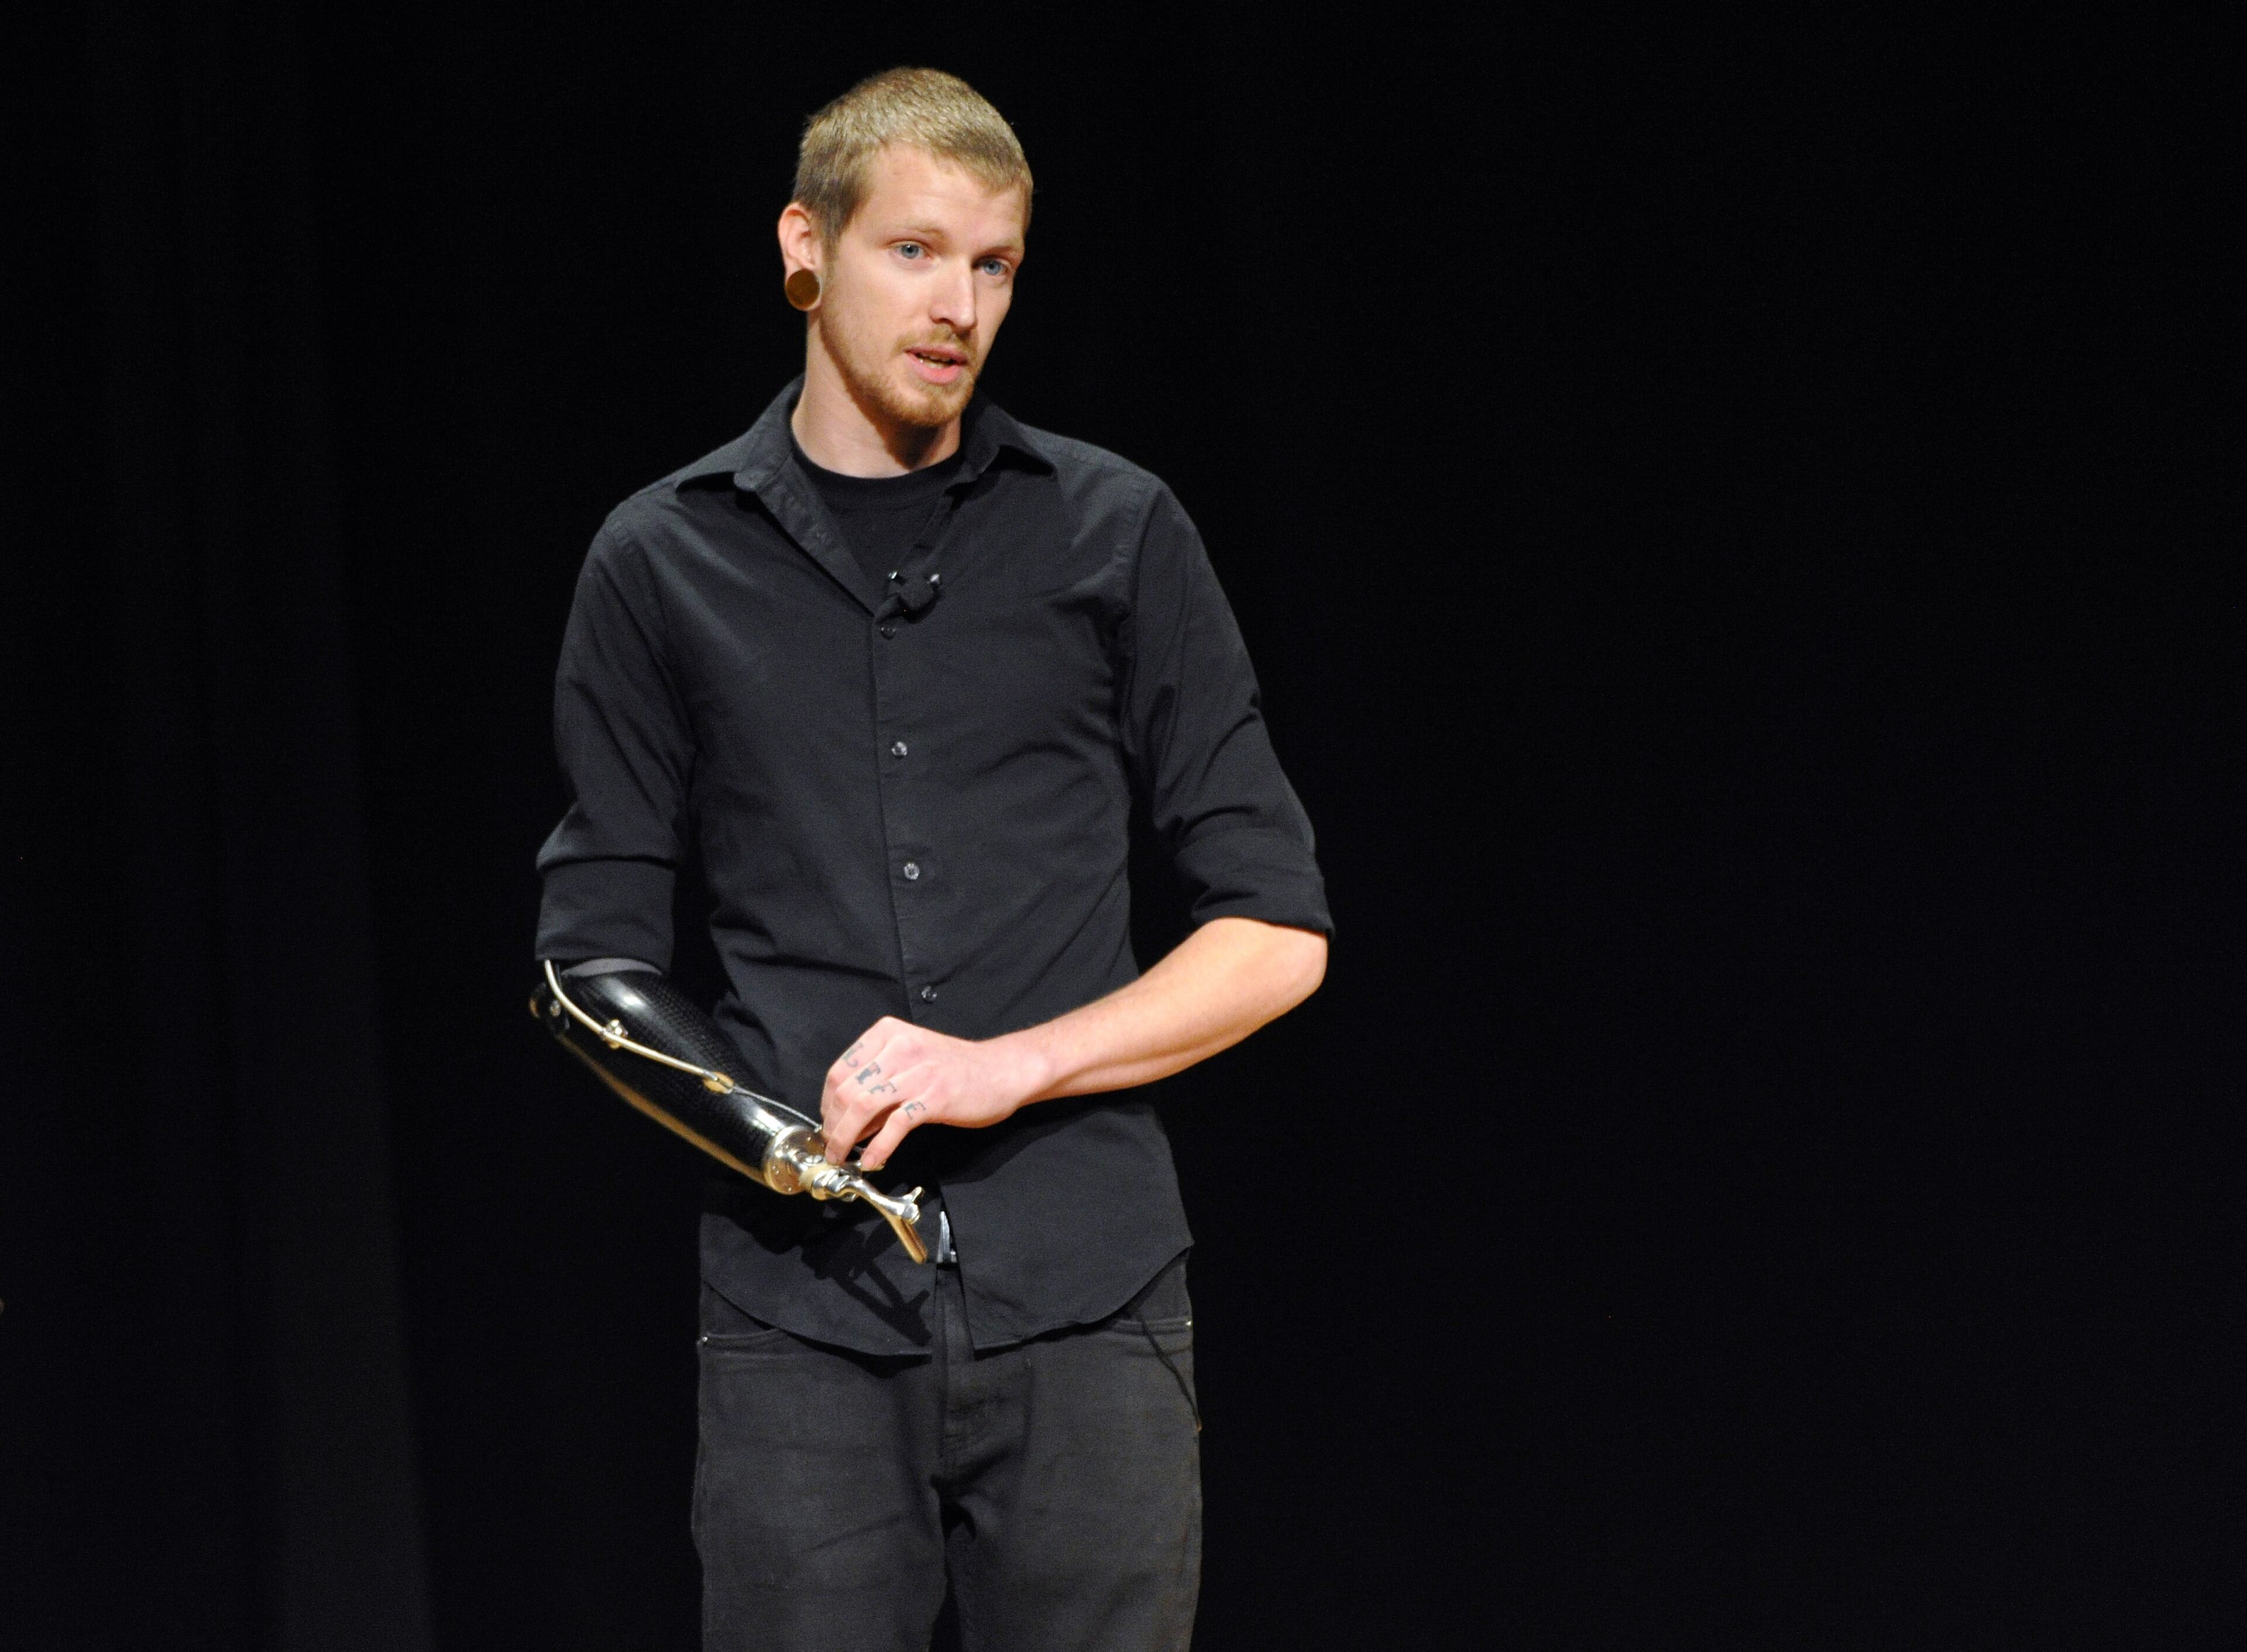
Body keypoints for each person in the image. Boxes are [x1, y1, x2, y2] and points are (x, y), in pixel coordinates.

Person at [534, 66, 1329, 1651]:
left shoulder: (1116, 532)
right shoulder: (662, 558)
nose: (958, 302)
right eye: (913, 252)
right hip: (800, 1317)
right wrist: (787, 1148)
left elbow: (1278, 930)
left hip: (1091, 1301)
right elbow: (590, 956)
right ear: (804, 249)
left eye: (994, 265)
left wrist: (1009, 1066)